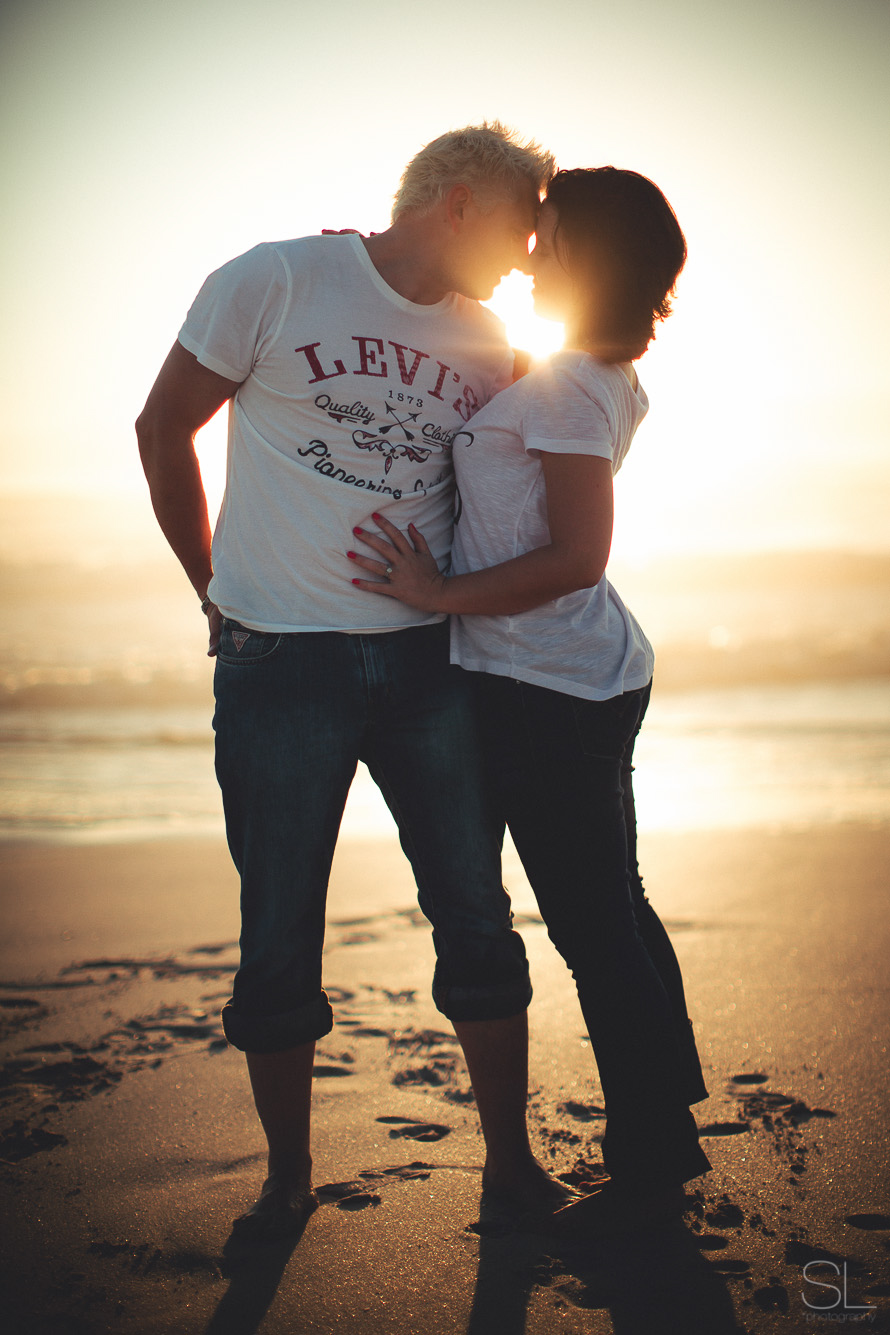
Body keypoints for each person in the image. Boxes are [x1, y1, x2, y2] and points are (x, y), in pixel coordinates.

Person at [136, 124, 568, 1241]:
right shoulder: (275, 279)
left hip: (431, 665)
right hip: (281, 663)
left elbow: (537, 466)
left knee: (475, 912)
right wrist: (212, 588)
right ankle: (288, 1178)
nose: (527, 256)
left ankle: (512, 1165)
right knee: (279, 927)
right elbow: (163, 426)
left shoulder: (494, 341)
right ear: (459, 202)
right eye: (520, 227)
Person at [348, 166, 712, 1235]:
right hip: (577, 677)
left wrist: (436, 594)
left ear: (580, 255)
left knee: (594, 928)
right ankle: (667, 1130)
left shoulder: (563, 389)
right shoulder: (589, 374)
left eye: (545, 234)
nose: (528, 249)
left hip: (547, 686)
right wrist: (365, 265)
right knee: (617, 909)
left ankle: (648, 1169)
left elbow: (575, 557)